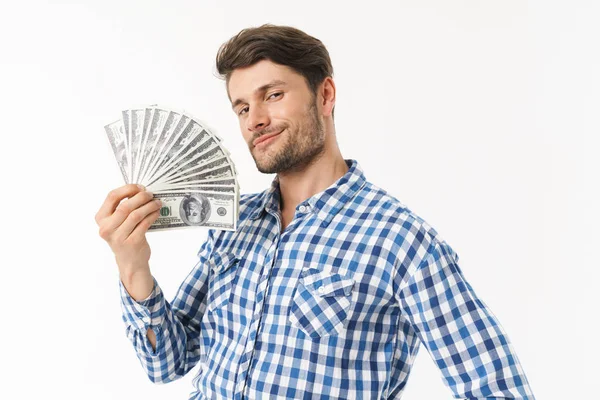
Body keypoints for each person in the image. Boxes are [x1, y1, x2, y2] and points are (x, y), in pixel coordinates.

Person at [95, 24, 535, 399]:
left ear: (325, 95)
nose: (255, 120)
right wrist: (134, 267)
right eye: (243, 107)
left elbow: (497, 388)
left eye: (274, 95)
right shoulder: (233, 225)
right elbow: (167, 364)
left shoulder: (400, 241)